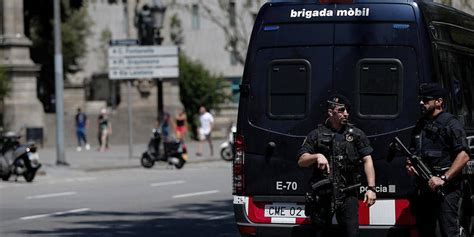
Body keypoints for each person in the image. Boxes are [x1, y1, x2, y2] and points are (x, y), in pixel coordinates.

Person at [297, 94, 376, 237]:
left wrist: (371, 188)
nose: (346, 113)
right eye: (341, 110)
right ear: (330, 112)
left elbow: (367, 159)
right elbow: (301, 160)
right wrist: (316, 156)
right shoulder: (316, 135)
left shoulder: (356, 135)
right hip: (323, 195)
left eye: (347, 110)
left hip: (348, 194)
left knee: (351, 233)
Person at [407, 83, 470, 237]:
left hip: (447, 190)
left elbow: (464, 155)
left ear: (439, 101)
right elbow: (412, 151)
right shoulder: (421, 125)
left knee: (448, 231)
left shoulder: (451, 124)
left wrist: (444, 178)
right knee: (425, 231)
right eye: (421, 99)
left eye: (426, 99)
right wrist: (409, 165)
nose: (421, 103)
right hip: (424, 188)